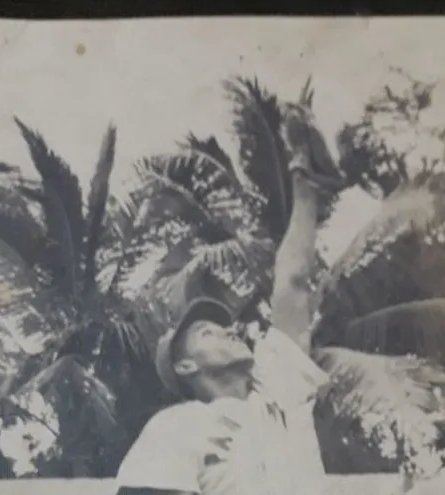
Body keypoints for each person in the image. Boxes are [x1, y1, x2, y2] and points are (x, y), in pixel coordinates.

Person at [115, 101, 346, 495]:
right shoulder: (178, 426)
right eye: (208, 333)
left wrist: (306, 185)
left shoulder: (279, 394)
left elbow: (292, 282)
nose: (229, 331)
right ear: (186, 366)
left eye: (223, 327)